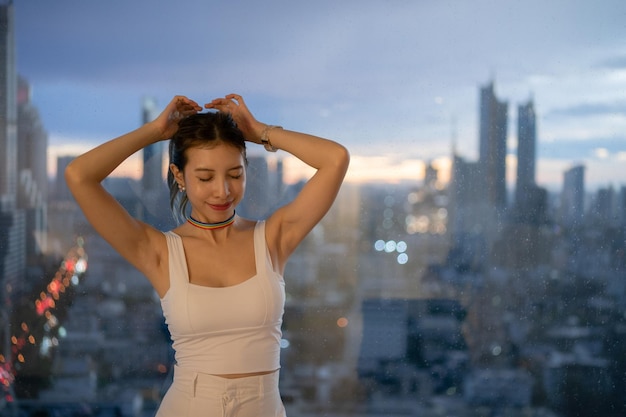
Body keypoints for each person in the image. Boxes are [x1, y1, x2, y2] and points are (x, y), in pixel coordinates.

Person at [65, 93, 350, 416]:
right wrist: (156, 132)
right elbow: (79, 175)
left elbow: (336, 159)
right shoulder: (159, 251)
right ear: (179, 176)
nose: (222, 191)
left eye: (234, 174)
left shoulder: (271, 239)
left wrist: (261, 132)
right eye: (205, 177)